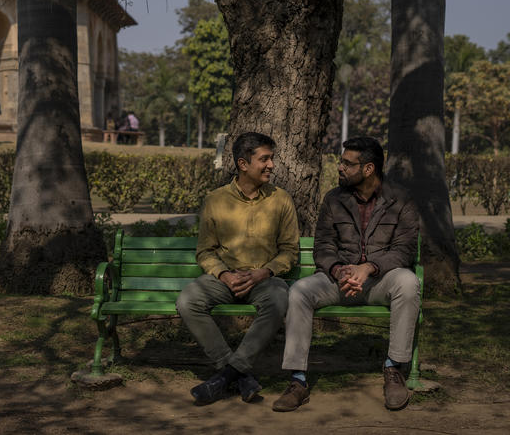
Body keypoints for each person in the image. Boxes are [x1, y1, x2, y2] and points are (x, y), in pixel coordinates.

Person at [272, 136, 420, 413]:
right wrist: (340, 270)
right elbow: (324, 246)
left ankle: (394, 369)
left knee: (408, 282)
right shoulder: (333, 199)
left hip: (380, 280)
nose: (340, 168)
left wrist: (369, 267)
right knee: (299, 291)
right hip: (339, 280)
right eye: (341, 162)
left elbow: (404, 250)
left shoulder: (401, 199)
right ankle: (298, 380)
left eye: (347, 164)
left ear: (368, 169)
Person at [176, 132, 300, 405]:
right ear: (243, 164)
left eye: (272, 159)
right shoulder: (215, 200)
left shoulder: (281, 199)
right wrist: (224, 274)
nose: (271, 165)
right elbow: (205, 251)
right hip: (225, 279)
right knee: (188, 300)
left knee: (280, 298)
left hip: (264, 280)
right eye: (264, 159)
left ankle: (227, 375)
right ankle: (236, 372)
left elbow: (290, 251)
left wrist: (263, 273)